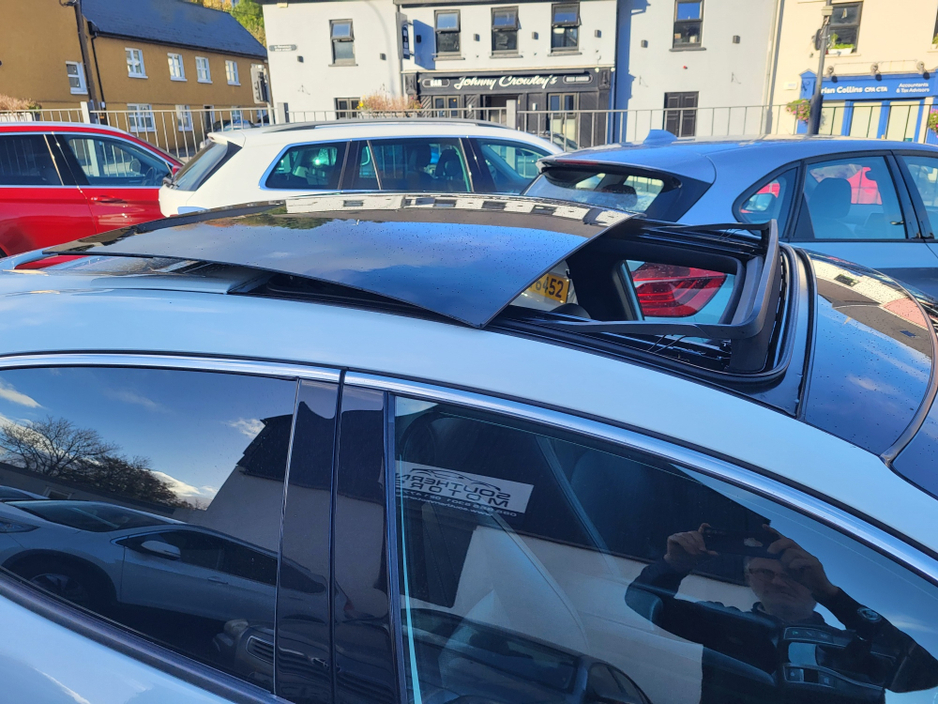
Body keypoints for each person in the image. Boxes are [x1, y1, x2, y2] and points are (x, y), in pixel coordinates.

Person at [625, 524, 938, 704]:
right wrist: (674, 565)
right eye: (764, 572)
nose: (777, 581)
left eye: (792, 574)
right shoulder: (723, 623)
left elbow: (926, 674)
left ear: (813, 577)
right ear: (748, 579)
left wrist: (832, 595)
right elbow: (641, 603)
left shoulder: (859, 643)